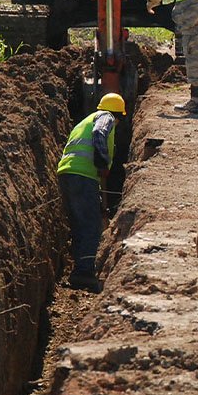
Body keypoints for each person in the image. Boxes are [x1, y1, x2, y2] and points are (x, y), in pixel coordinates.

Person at [56, 92, 125, 290]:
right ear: (117, 113)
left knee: (79, 224)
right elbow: (99, 134)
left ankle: (79, 268)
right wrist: (102, 161)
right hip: (83, 175)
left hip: (67, 173)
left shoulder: (83, 121)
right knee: (90, 225)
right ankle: (84, 272)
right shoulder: (106, 117)